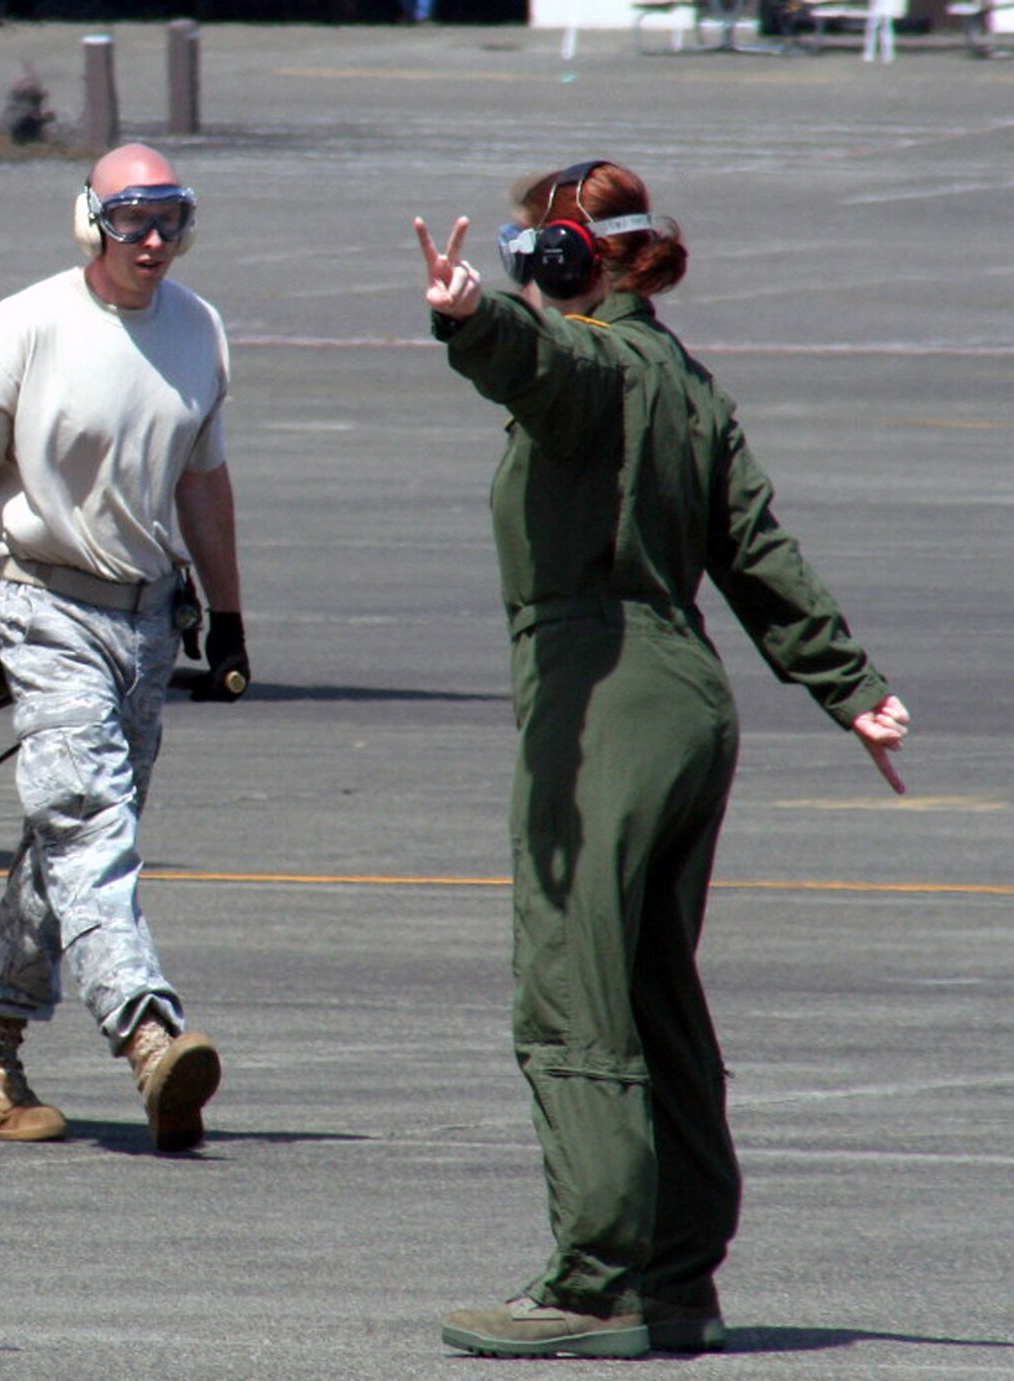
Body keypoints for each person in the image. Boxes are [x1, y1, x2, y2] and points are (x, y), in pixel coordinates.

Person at [413, 161, 910, 1358]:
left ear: (570, 260)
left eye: (541, 252)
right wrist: (849, 686)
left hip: (602, 695)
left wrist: (473, 317)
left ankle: (594, 1282)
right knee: (650, 989)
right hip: (687, 695)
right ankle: (678, 1275)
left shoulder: (596, 365)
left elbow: (546, 368)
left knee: (571, 984)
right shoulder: (685, 380)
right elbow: (754, 548)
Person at [0, 143, 251, 1153]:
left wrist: (228, 618)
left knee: (65, 845)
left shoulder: (198, 330)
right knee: (90, 827)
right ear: (87, 223)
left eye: (170, 220)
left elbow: (202, 482)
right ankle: (149, 1034)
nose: (151, 241)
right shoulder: (25, 325)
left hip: (146, 624)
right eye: (130, 220)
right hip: (47, 609)